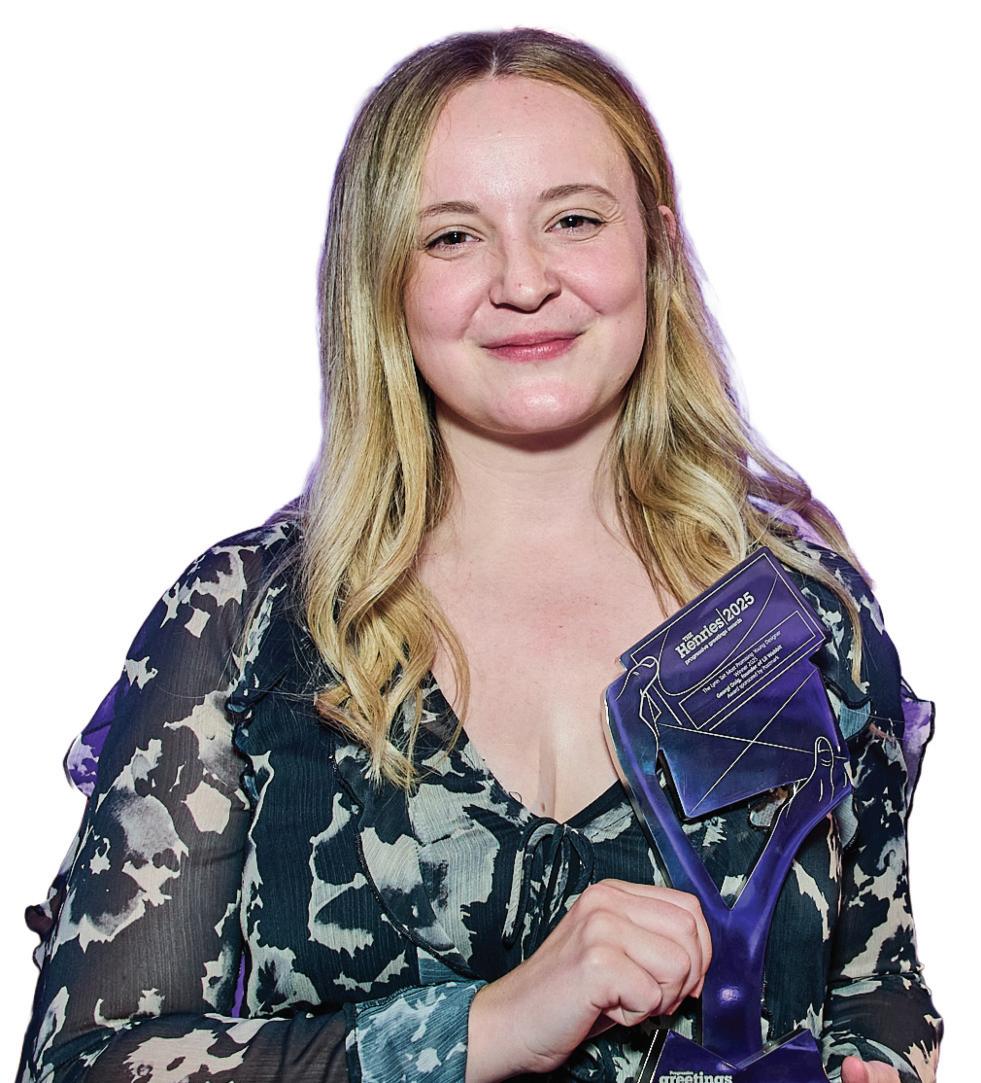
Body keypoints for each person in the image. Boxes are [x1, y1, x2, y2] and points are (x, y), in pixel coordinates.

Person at [17, 26, 942, 1083]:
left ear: (655, 245)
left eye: (574, 220)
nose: (524, 282)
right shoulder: (246, 618)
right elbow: (82, 1064)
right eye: (452, 237)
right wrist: (481, 1028)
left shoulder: (800, 611)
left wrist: (878, 1061)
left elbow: (876, 980)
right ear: (382, 279)